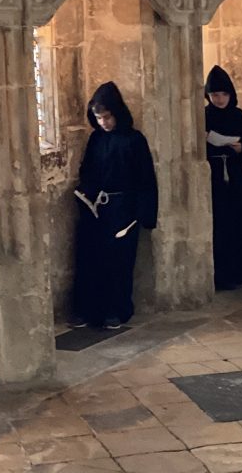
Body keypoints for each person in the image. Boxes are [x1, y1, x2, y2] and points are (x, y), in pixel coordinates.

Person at [69, 82, 158, 330]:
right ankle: (88, 310)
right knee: (91, 260)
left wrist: (144, 215)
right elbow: (87, 171)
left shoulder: (134, 140)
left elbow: (145, 178)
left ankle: (115, 310)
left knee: (118, 262)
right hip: (97, 209)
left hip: (123, 209)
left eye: (107, 117)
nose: (103, 123)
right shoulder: (96, 139)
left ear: (117, 113)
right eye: (98, 118)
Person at [204, 65, 242, 290]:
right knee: (220, 223)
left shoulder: (238, 115)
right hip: (214, 175)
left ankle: (240, 270)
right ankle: (221, 273)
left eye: (223, 94)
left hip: (235, 175)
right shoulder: (204, 116)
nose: (219, 99)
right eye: (214, 95)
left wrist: (241, 147)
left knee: (238, 220)